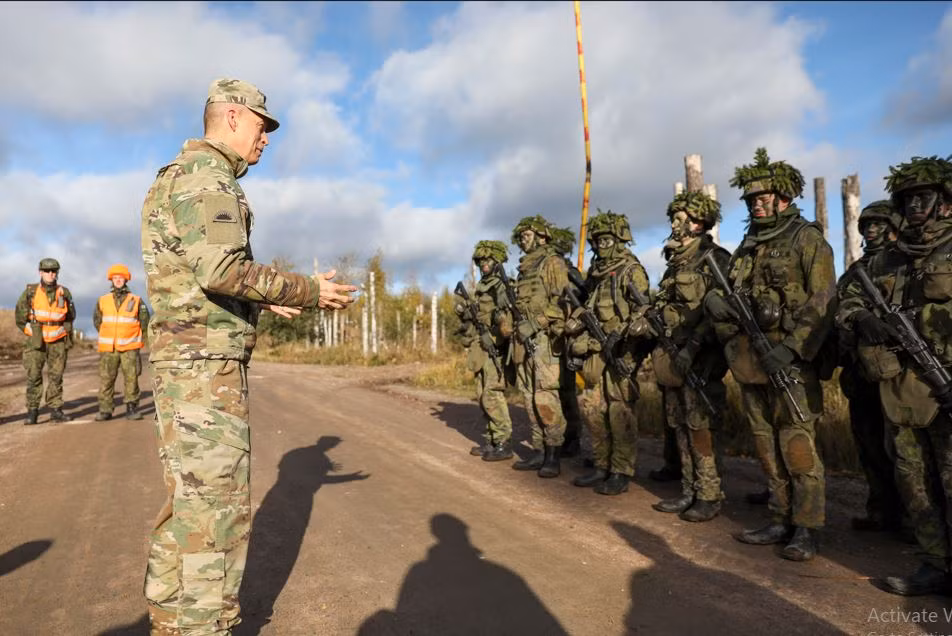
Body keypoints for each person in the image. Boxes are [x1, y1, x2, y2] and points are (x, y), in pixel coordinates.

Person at [139, 77, 356, 634]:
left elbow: (199, 275)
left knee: (189, 505)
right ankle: (205, 627)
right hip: (203, 370)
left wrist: (263, 304)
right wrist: (305, 292)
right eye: (263, 126)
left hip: (185, 362)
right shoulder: (208, 178)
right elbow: (220, 270)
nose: (266, 140)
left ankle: (170, 622)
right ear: (232, 117)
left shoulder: (181, 175)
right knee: (216, 513)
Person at [704, 148, 836, 561]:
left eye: (763, 198)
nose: (756, 205)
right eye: (749, 200)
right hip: (750, 362)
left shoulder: (807, 239)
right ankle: (779, 517)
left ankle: (806, 527)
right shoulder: (747, 245)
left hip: (789, 363)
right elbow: (729, 293)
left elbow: (823, 301)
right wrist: (720, 308)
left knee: (797, 446)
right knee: (765, 445)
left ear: (785, 197)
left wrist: (793, 348)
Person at [838, 156, 952, 596]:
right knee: (914, 478)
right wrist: (862, 319)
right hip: (903, 385)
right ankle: (934, 563)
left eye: (924, 197)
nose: (916, 205)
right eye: (907, 199)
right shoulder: (887, 259)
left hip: (945, 383)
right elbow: (847, 300)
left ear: (944, 202)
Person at [649, 192, 730, 521]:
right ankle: (689, 489)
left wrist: (695, 347)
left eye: (683, 218)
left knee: (700, 425)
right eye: (674, 218)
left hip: (701, 358)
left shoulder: (715, 259)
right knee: (679, 424)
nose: (675, 224)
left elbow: (721, 312)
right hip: (672, 354)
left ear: (700, 223)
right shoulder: (674, 262)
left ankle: (709, 494)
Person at [564, 210, 650, 495]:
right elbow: (586, 306)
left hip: (620, 351)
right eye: (597, 239)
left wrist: (623, 335)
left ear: (620, 239)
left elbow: (643, 313)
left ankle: (621, 470)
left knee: (619, 412)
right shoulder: (597, 274)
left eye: (607, 238)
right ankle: (602, 464)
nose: (601, 244)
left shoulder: (631, 270)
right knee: (591, 409)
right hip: (595, 351)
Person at [833, 201, 906, 534]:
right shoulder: (856, 270)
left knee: (904, 451)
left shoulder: (905, 262)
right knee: (869, 444)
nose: (871, 231)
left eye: (879, 224)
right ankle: (881, 510)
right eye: (867, 226)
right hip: (861, 371)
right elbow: (840, 306)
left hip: (901, 372)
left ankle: (914, 520)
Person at [507, 215, 570, 478]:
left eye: (528, 235)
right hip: (523, 339)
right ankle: (538, 450)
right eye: (520, 237)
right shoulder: (524, 268)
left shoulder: (551, 262)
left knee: (545, 396)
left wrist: (537, 323)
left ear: (542, 236)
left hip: (544, 340)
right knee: (528, 396)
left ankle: (554, 453)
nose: (523, 240)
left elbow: (565, 302)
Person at [455, 240, 515, 461]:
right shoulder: (483, 286)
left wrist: (494, 339)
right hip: (481, 346)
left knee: (492, 394)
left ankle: (503, 442)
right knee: (482, 394)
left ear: (497, 261)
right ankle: (491, 439)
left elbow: (506, 320)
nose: (484, 265)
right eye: (480, 261)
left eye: (487, 260)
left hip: (495, 348)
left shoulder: (501, 286)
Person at [14, 257, 75, 424]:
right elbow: (20, 317)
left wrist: (67, 337)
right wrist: (30, 331)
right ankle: (32, 412)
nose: (50, 274)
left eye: (53, 271)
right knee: (33, 376)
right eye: (47, 271)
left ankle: (56, 410)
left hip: (57, 341)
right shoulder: (30, 292)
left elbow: (70, 317)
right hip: (36, 342)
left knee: (57, 376)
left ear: (57, 273)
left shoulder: (64, 292)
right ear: (40, 272)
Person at [93, 263, 151, 421]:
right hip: (109, 348)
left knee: (131, 378)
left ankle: (131, 409)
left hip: (130, 347)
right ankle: (105, 410)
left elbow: (145, 322)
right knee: (106, 379)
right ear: (111, 280)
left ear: (127, 279)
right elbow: (97, 321)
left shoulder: (136, 300)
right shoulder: (102, 300)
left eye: (121, 277)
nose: (118, 280)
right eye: (115, 277)